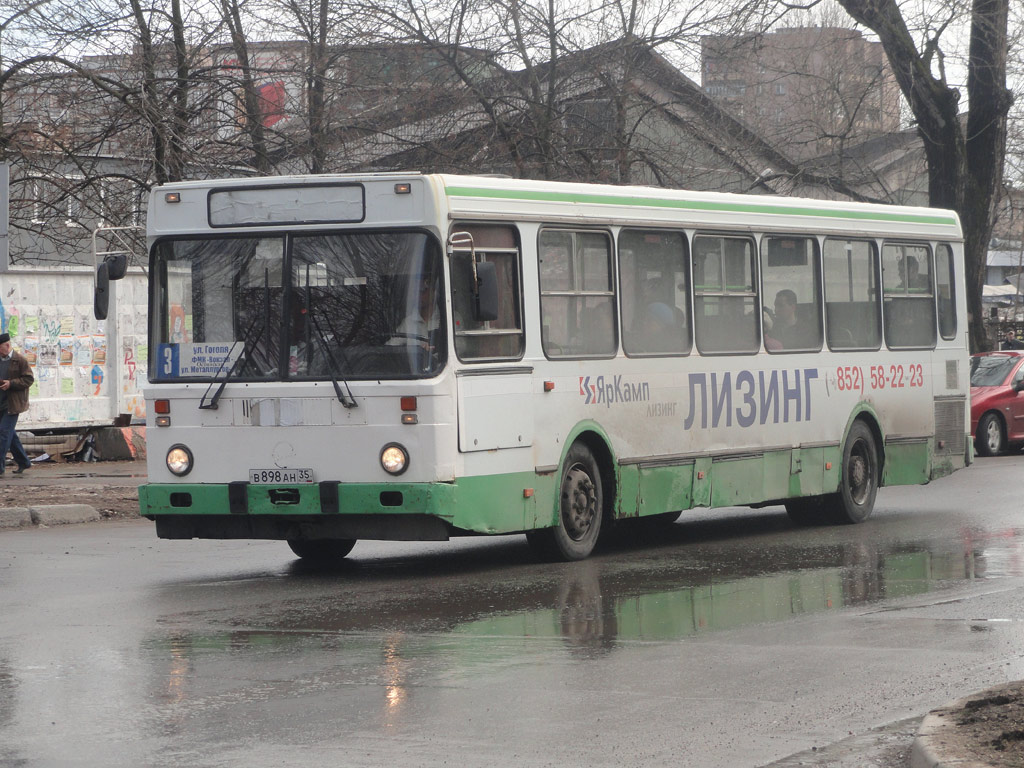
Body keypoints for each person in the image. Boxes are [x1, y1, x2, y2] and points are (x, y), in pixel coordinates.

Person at [0, 332, 34, 476]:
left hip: (12, 404)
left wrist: (11, 383)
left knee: (3, 433)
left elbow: (28, 379)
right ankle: (24, 461)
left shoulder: (19, 360)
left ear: (7, 345)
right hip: (0, 403)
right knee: (10, 435)